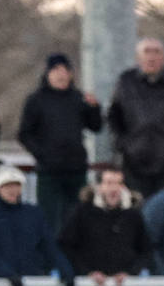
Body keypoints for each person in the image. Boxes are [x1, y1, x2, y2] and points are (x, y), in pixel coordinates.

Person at [18, 53, 103, 237]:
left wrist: (95, 108)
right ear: (47, 73)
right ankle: (50, 263)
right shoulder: (36, 100)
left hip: (76, 170)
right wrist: (43, 155)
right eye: (56, 70)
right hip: (49, 172)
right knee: (49, 221)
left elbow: (95, 126)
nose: (61, 74)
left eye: (65, 70)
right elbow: (24, 134)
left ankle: (74, 262)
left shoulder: (78, 98)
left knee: (78, 219)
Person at [107, 39, 164, 197]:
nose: (152, 57)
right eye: (147, 51)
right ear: (138, 57)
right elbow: (114, 115)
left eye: (156, 52)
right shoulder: (126, 81)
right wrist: (123, 144)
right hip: (133, 160)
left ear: (163, 57)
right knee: (137, 207)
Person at [0, 165, 73, 286]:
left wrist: (65, 270)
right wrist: (7, 274)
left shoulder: (34, 214)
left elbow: (49, 246)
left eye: (16, 185)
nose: (12, 190)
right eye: (7, 186)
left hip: (31, 281)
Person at [57, 167, 150, 285]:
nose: (114, 188)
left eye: (119, 183)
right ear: (99, 186)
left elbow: (145, 250)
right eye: (109, 183)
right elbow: (66, 246)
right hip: (87, 285)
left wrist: (130, 273)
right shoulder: (82, 212)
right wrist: (87, 272)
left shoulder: (133, 215)